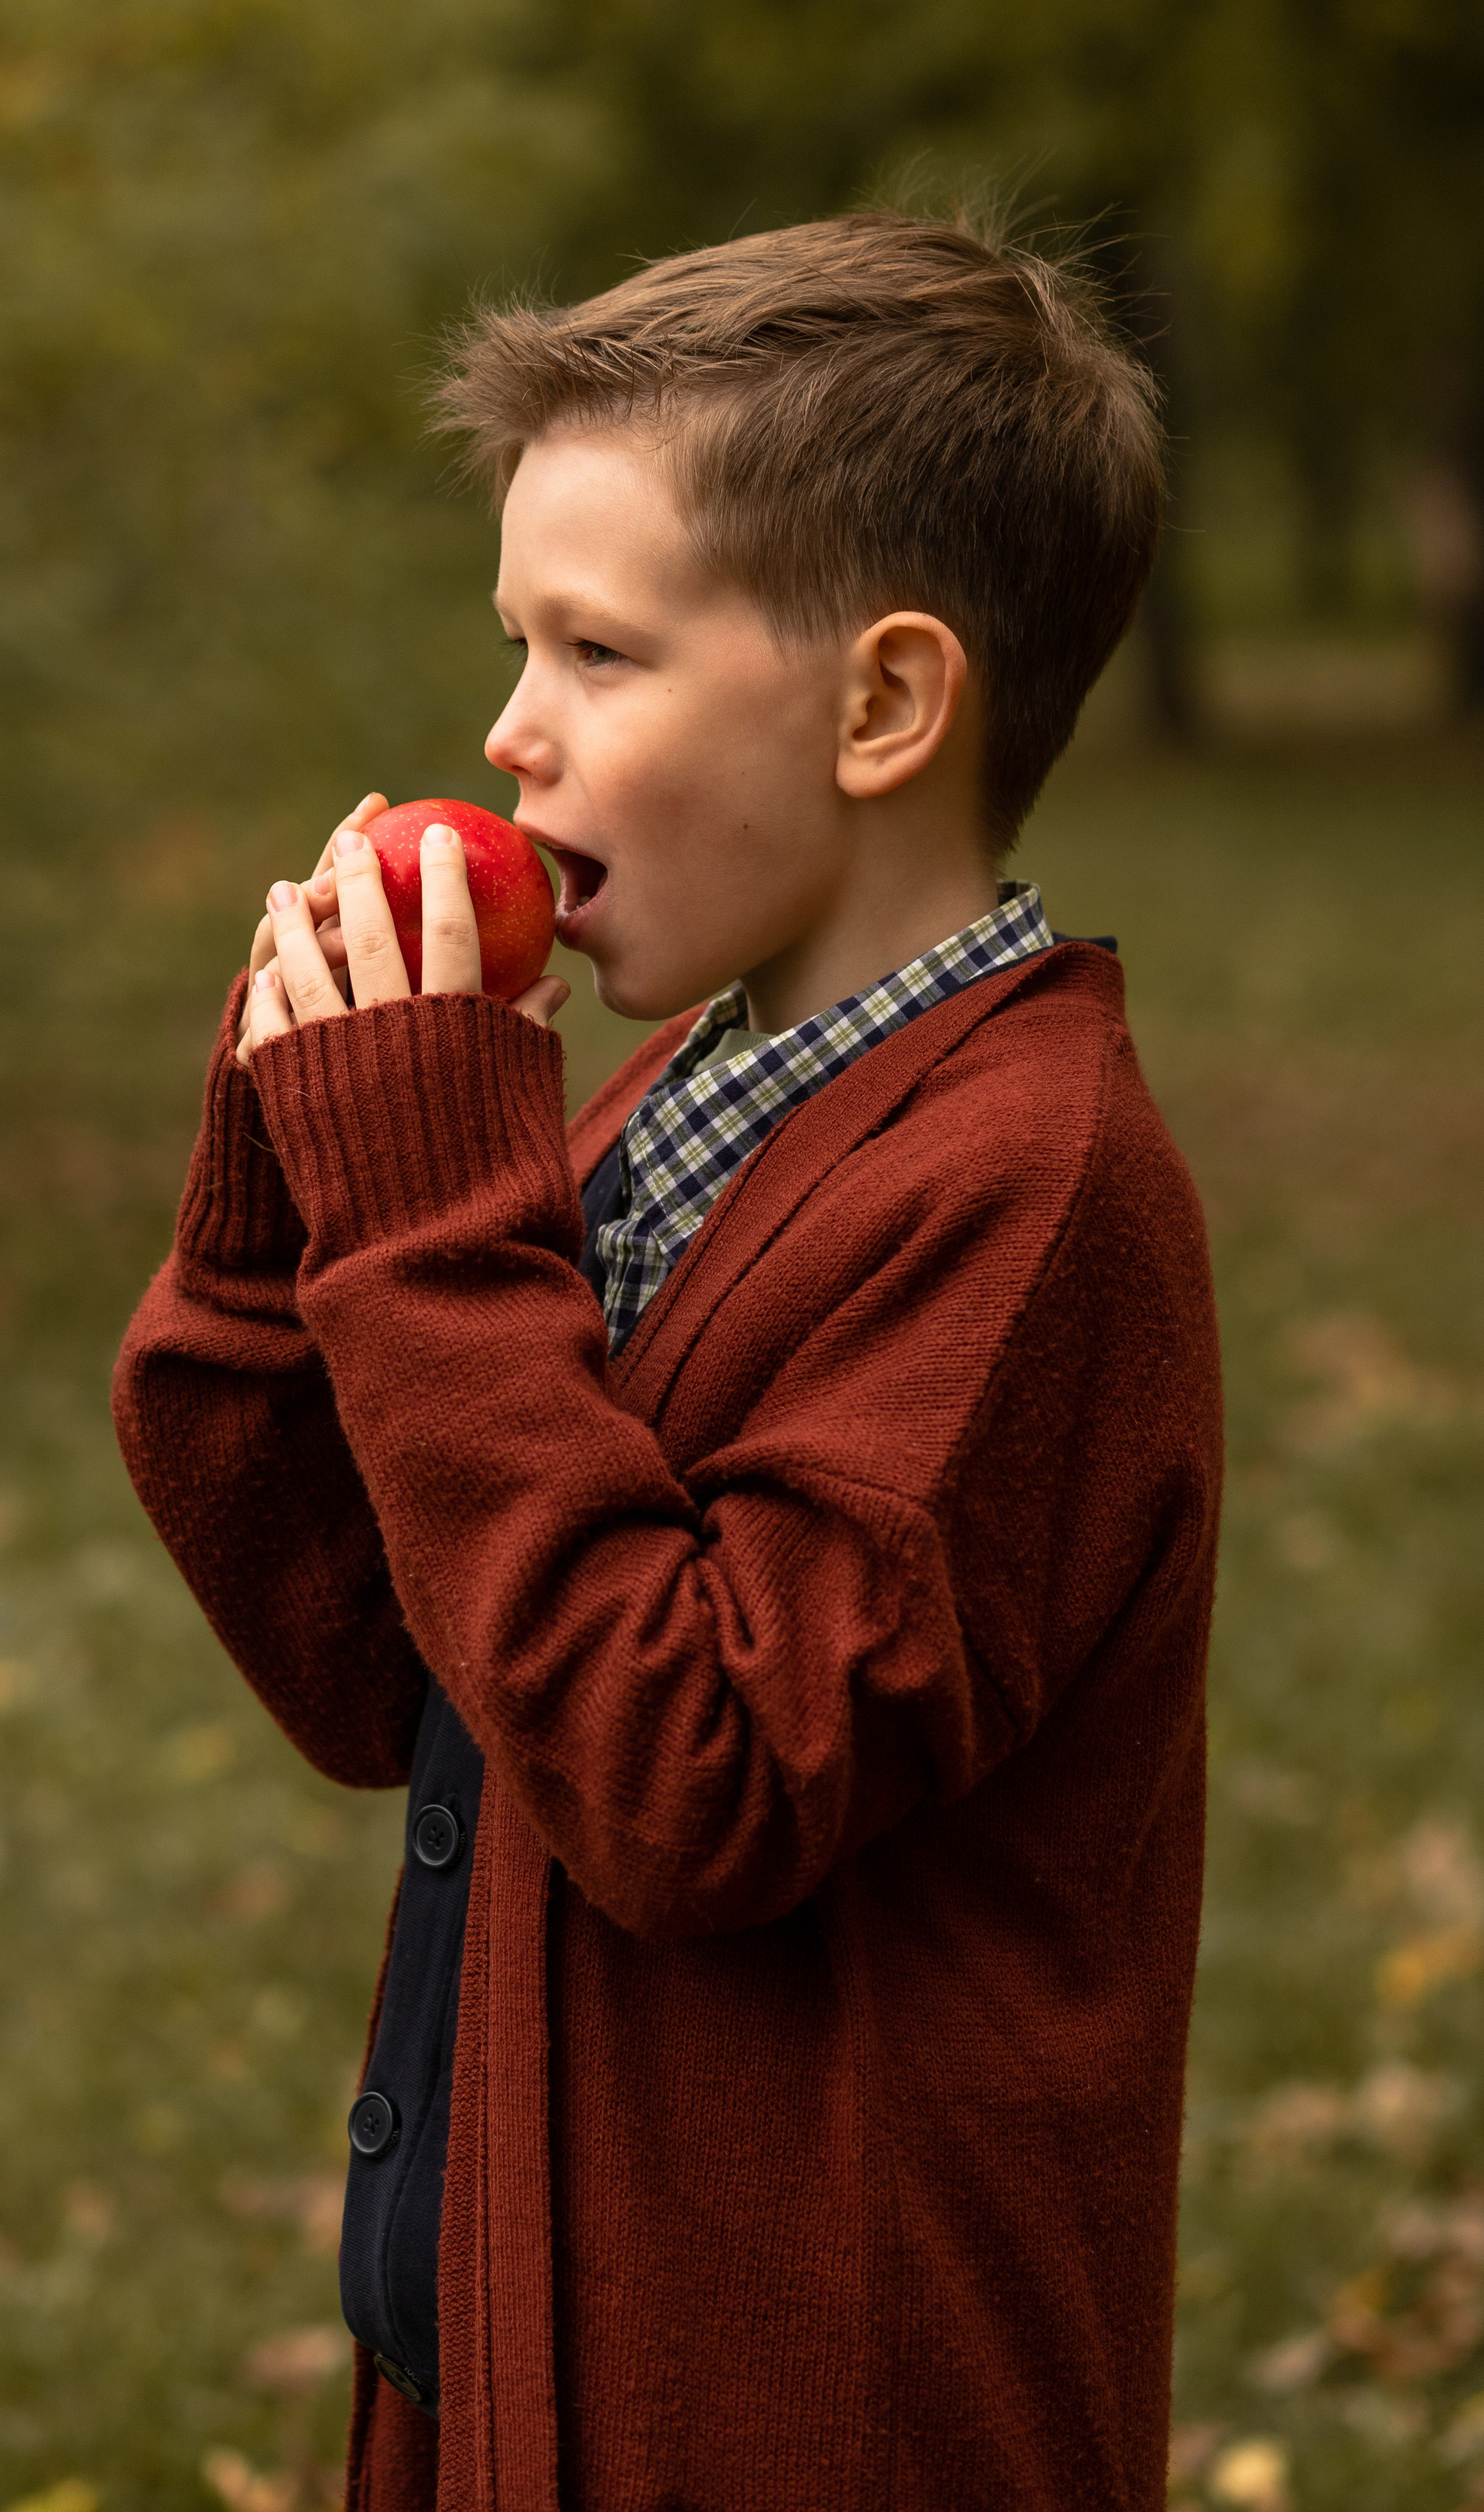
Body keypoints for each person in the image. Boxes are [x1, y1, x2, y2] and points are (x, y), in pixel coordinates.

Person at [113, 210, 1223, 2512]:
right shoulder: (686, 1111)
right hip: (518, 2360)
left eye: (600, 651)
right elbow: (380, 1663)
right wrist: (286, 1207)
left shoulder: (1028, 1196)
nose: (511, 727)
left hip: (810, 2416)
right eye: (516, 641)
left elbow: (687, 1776)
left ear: (885, 705)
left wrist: (430, 1220)